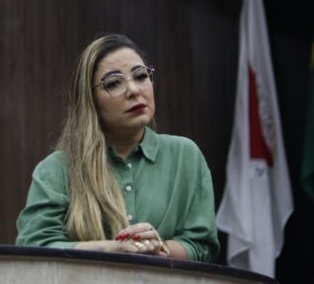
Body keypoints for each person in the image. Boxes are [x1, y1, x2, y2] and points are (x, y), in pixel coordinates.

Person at [15, 34, 219, 261]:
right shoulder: (57, 168)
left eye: (141, 76)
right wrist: (114, 249)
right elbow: (34, 246)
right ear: (90, 100)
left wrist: (161, 248)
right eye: (113, 83)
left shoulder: (185, 155)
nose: (133, 90)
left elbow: (202, 247)